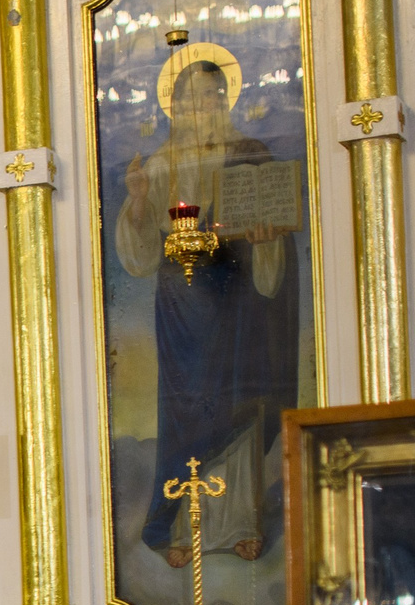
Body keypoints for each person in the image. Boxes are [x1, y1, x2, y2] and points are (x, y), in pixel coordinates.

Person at [115, 50, 300, 572]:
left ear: (226, 100)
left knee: (237, 398)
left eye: (211, 95)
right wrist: (136, 203)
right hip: (180, 305)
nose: (202, 105)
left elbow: (272, 226)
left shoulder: (250, 151)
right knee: (185, 406)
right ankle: (176, 523)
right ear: (174, 105)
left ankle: (240, 522)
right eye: (191, 97)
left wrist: (266, 241)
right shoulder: (157, 164)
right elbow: (140, 255)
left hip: (236, 299)